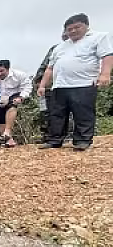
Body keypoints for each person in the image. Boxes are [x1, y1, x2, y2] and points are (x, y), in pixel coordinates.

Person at [37, 13, 113, 151]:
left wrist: (105, 74)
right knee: (56, 114)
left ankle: (82, 141)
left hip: (83, 83)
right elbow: (50, 68)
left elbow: (107, 56)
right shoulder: (60, 47)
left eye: (76, 27)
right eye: (69, 29)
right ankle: (55, 140)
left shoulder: (98, 38)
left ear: (86, 26)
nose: (72, 31)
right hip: (59, 85)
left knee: (83, 113)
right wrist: (42, 85)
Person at [32, 33, 69, 142]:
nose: (66, 34)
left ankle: (69, 137)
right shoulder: (56, 48)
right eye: (65, 31)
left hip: (73, 85)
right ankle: (50, 136)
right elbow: (45, 66)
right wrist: (39, 81)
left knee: (70, 112)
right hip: (51, 86)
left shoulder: (85, 46)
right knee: (48, 112)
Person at [0, 60, 33, 147]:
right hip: (0, 99)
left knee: (12, 105)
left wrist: (21, 97)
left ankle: (7, 132)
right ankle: (8, 140)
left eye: (1, 71)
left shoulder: (19, 75)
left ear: (8, 69)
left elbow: (27, 86)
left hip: (16, 96)